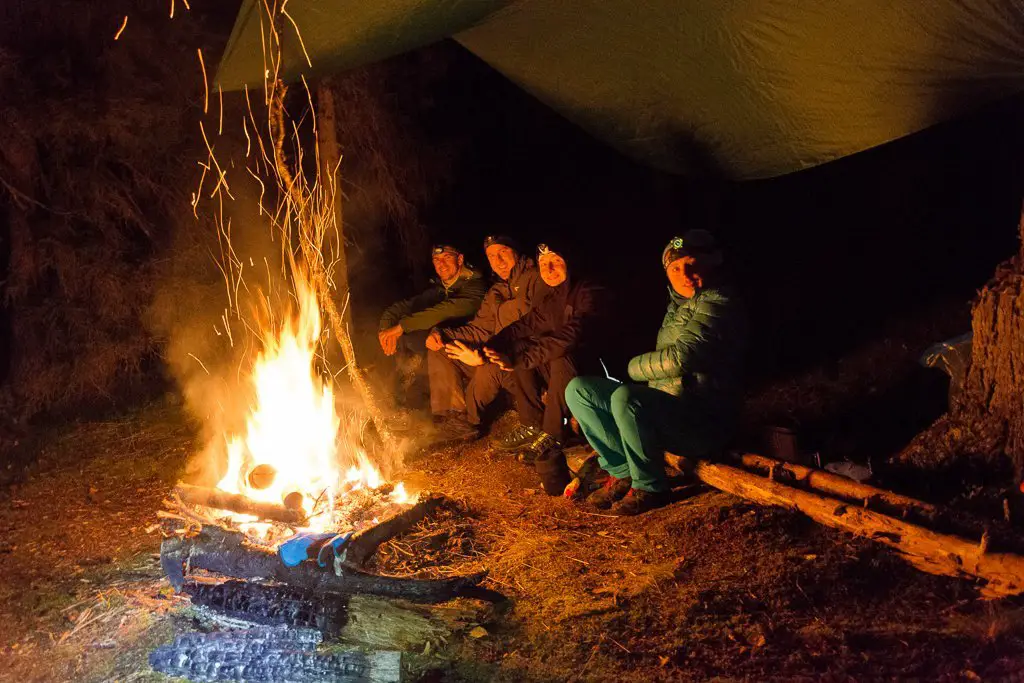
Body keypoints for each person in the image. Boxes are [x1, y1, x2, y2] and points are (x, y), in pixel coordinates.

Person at [565, 230, 746, 515]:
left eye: (691, 262)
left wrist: (630, 367)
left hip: (703, 421)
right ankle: (622, 470)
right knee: (579, 390)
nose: (684, 273)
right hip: (671, 409)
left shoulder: (718, 302)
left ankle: (650, 487)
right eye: (675, 267)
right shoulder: (677, 307)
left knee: (627, 396)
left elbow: (681, 358)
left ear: (711, 262)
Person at [483, 240, 601, 458]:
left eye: (555, 261)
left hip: (600, 374)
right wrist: (494, 345)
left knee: (559, 355)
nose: (549, 269)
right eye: (543, 263)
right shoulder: (554, 296)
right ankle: (531, 424)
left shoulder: (589, 290)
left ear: (569, 262)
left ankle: (554, 434)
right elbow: (528, 323)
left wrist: (524, 359)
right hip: (569, 372)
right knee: (517, 346)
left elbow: (571, 336)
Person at [427, 235, 544, 440]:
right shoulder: (496, 291)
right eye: (491, 256)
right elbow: (479, 329)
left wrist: (482, 356)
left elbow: (537, 334)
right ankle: (452, 416)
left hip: (528, 367)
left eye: (503, 253)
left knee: (490, 366)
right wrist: (440, 334)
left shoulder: (536, 279)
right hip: (497, 358)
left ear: (516, 252)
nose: (498, 261)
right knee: (442, 349)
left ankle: (471, 421)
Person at [378, 244, 488, 405]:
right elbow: (402, 307)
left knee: (428, 341)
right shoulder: (439, 289)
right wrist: (385, 330)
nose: (441, 264)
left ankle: (452, 410)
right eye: (436, 260)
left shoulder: (477, 287)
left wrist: (401, 327)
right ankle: (386, 396)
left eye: (447, 258)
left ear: (460, 259)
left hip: (473, 351)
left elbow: (443, 311)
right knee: (395, 338)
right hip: (438, 344)